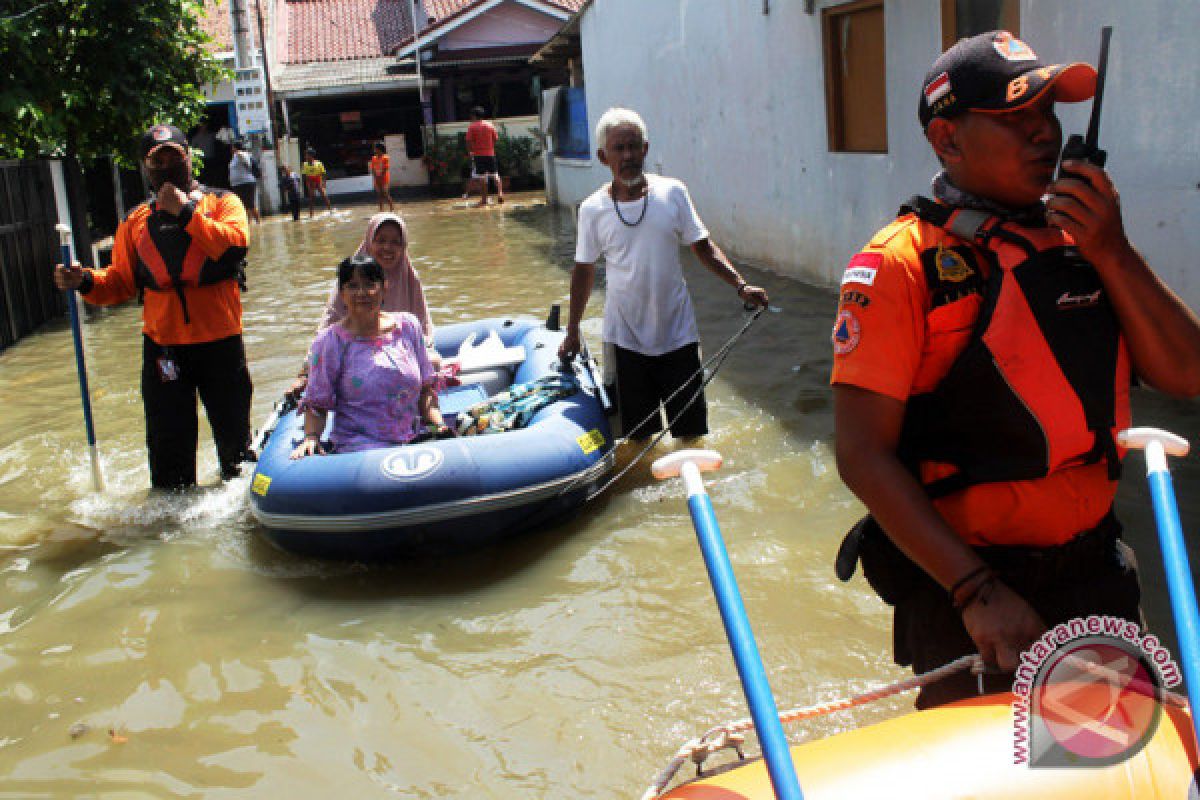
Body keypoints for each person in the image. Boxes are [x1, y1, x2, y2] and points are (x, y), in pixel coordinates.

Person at [829, 31, 1200, 709]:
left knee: (1121, 771)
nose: (1045, 137)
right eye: (1015, 119)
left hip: (1099, 573)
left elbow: (1188, 373)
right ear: (947, 140)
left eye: (1049, 115)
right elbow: (860, 453)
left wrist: (1113, 251)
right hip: (977, 597)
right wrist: (977, 591)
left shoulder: (1084, 239)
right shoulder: (899, 265)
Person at [54, 124, 254, 489]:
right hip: (164, 348)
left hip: (220, 341)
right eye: (155, 160)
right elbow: (118, 284)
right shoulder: (134, 222)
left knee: (236, 450)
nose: (165, 167)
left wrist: (185, 213)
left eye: (173, 157)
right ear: (145, 167)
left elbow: (234, 246)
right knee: (169, 460)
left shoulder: (223, 203)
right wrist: (84, 280)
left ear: (188, 159)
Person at [557, 108, 769, 440]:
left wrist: (740, 286)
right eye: (619, 149)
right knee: (640, 438)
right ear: (602, 156)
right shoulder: (593, 209)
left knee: (692, 432)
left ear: (645, 149)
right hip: (625, 336)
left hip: (678, 332)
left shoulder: (672, 193)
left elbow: (703, 246)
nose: (628, 155)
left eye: (634, 146)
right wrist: (572, 331)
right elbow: (583, 271)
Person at [290, 255, 447, 458]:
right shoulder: (330, 341)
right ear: (342, 293)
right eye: (353, 286)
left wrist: (439, 424)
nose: (362, 293)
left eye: (369, 285)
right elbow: (318, 403)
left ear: (384, 288)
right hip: (359, 448)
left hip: (411, 439)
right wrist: (311, 437)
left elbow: (426, 390)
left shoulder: (408, 327)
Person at [289, 212, 436, 399]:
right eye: (381, 240)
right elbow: (326, 330)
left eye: (395, 242)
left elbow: (423, 330)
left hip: (400, 352)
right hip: (354, 353)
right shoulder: (350, 280)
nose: (387, 248)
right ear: (368, 241)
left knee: (433, 362)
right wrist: (305, 373)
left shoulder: (410, 279)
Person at [464, 106, 503, 207]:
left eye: (471, 116)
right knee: (495, 174)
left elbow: (468, 141)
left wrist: (470, 152)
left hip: (478, 155)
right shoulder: (490, 125)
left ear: (474, 116)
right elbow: (495, 139)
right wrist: (490, 147)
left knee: (482, 177)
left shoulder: (472, 127)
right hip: (490, 154)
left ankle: (484, 200)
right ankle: (500, 193)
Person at [228, 140, 261, 224]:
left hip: (246, 183)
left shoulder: (243, 155)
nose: (231, 149)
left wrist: (238, 151)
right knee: (242, 205)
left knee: (250, 204)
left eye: (232, 147)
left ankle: (258, 223)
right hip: (237, 184)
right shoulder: (234, 157)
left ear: (235, 148)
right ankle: (248, 223)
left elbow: (246, 161)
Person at [301, 147, 333, 218]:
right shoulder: (305, 164)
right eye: (305, 155)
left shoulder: (318, 163)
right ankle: (311, 215)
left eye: (306, 155)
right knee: (311, 198)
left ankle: (330, 211)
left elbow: (323, 173)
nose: (305, 156)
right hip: (310, 180)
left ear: (311, 155)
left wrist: (323, 183)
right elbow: (304, 175)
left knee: (324, 196)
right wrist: (308, 185)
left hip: (318, 180)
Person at [369, 142, 395, 212]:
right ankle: (381, 210)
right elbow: (373, 169)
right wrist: (375, 177)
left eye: (376, 149)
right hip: (377, 178)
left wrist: (380, 176)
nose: (374, 150)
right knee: (379, 194)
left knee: (385, 193)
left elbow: (386, 168)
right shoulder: (373, 158)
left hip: (384, 178)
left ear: (379, 149)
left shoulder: (385, 158)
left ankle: (391, 209)